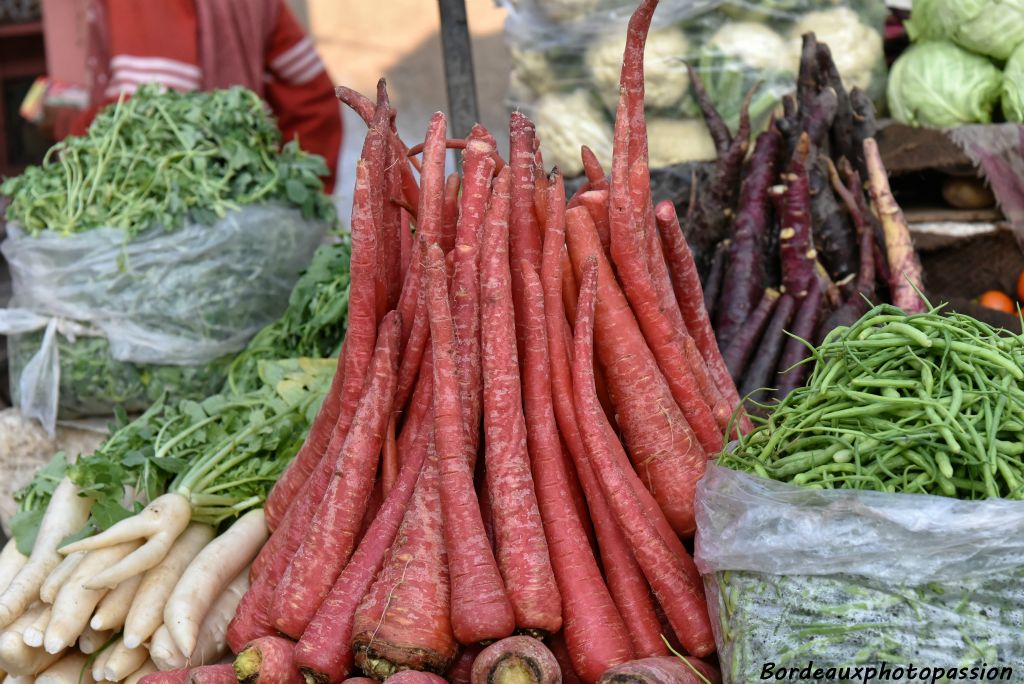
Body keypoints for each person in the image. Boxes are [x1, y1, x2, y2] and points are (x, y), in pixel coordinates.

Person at [65, 0, 343, 192]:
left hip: (177, 237)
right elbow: (311, 94)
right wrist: (296, 202)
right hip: (240, 220)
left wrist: (69, 127)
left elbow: (149, 119)